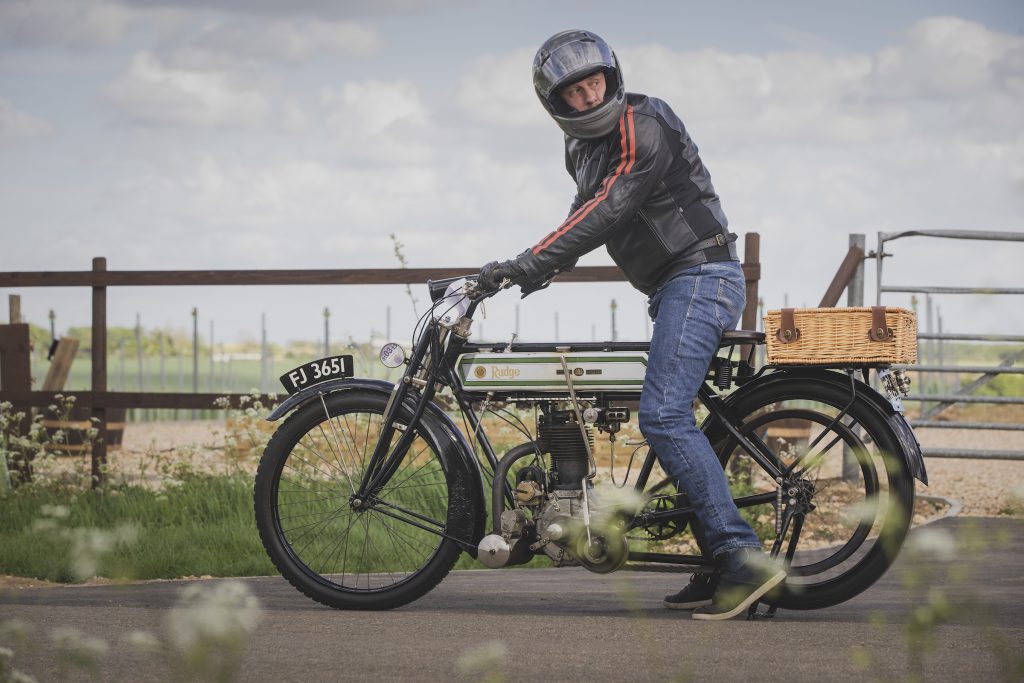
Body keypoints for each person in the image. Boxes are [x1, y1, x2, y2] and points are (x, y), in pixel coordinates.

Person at [477, 29, 784, 620]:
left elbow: (608, 209)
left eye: (594, 82)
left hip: (699, 277)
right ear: (556, 102)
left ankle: (742, 558)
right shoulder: (580, 151)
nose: (589, 96)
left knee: (663, 415)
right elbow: (582, 215)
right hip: (672, 289)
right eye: (574, 90)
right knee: (676, 421)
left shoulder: (645, 122)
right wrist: (530, 274)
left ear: (611, 77)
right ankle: (715, 562)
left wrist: (524, 263)